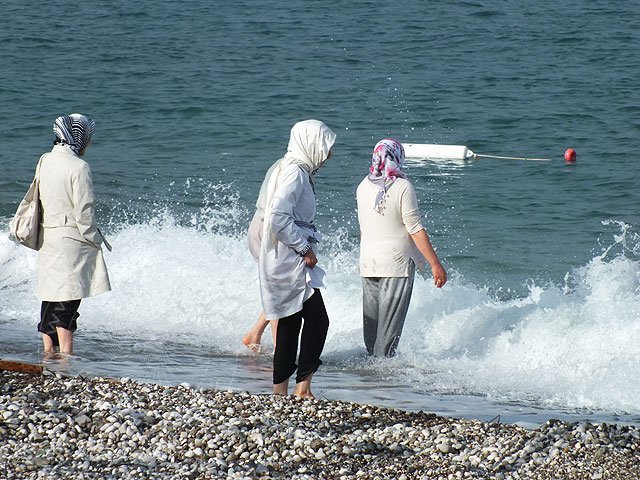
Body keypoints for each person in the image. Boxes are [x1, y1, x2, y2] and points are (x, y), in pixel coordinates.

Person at [259, 119, 336, 398]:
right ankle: (302, 387)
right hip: (290, 259)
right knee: (318, 320)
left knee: (290, 321)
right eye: (326, 148)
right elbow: (278, 217)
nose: (329, 155)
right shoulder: (295, 172)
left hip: (281, 257)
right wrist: (305, 248)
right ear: (311, 144)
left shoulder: (292, 167)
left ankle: (280, 390)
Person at [356, 138, 447, 357]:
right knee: (388, 337)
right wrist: (435, 265)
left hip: (369, 263)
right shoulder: (403, 186)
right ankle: (381, 386)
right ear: (398, 157)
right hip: (397, 267)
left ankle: (367, 381)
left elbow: (364, 229)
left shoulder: (363, 186)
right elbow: (415, 228)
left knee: (372, 334)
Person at [36, 114, 111, 355]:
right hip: (71, 239)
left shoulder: (45, 160)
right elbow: (84, 212)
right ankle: (66, 356)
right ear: (80, 137)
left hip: (49, 236)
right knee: (68, 299)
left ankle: (49, 352)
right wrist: (96, 240)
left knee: (50, 296)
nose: (89, 142)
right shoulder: (79, 167)